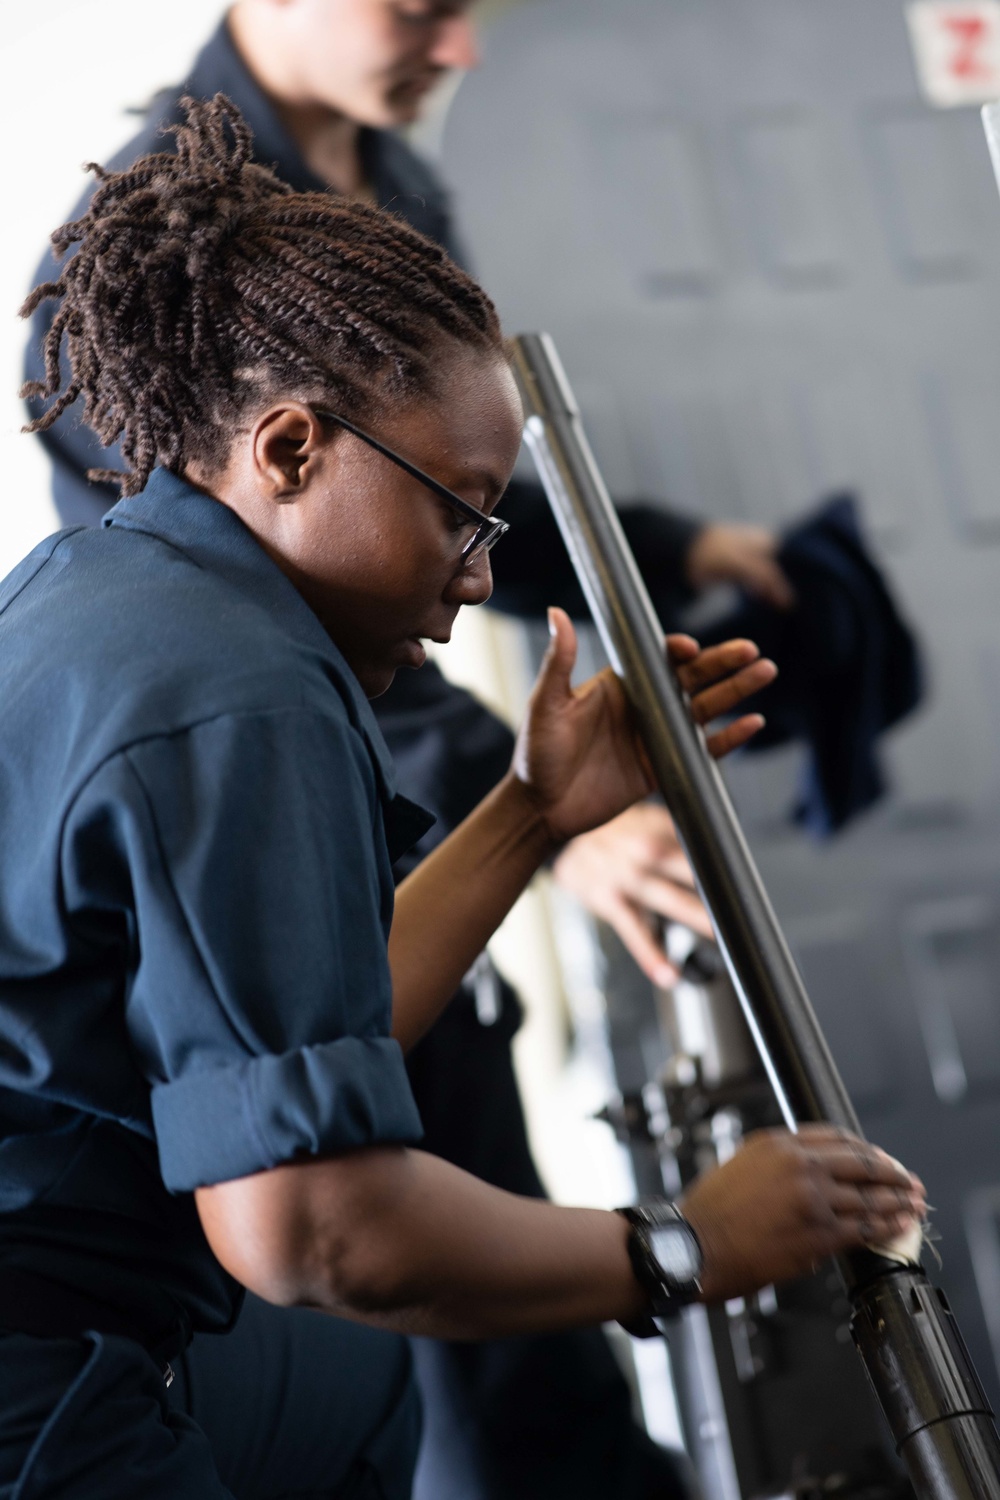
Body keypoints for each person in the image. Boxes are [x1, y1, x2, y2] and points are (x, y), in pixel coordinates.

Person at [4, 96, 925, 1500]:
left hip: (79, 1299)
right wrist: (681, 1245)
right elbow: (316, 1229)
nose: (484, 575)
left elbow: (296, 1047)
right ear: (294, 450)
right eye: (463, 511)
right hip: (36, 1372)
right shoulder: (246, 692)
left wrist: (535, 811)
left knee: (351, 1393)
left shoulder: (109, 587)